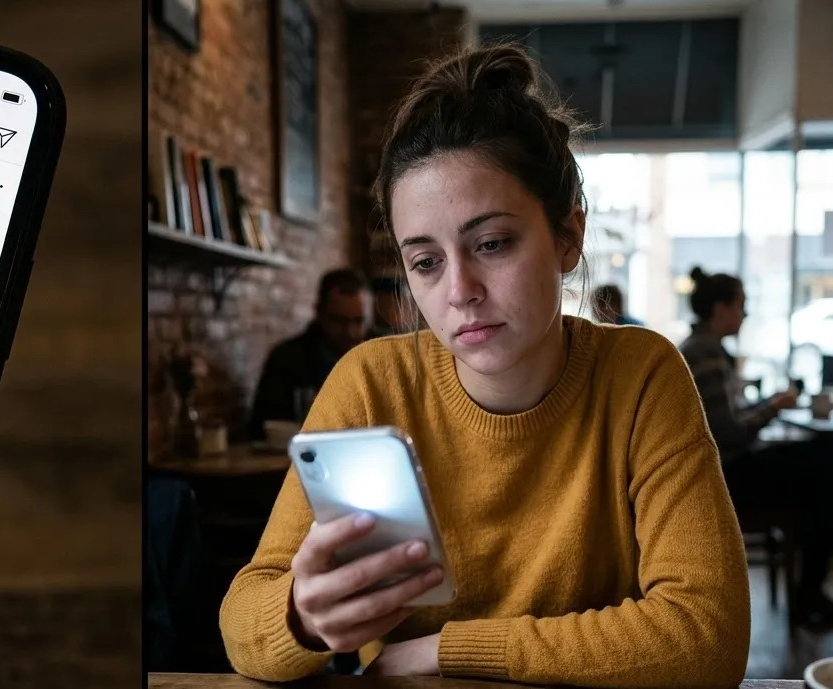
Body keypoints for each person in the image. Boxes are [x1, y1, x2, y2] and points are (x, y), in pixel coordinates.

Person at [219, 43, 748, 686]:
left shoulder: (640, 377)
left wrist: (444, 649)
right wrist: (301, 617)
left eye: (491, 243)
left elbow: (706, 636)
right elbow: (244, 625)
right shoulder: (371, 382)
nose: (459, 290)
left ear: (568, 237)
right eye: (425, 261)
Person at [678, 266, 833, 626]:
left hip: (726, 465)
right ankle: (809, 593)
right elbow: (729, 433)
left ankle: (809, 592)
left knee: (820, 473)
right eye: (741, 305)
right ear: (721, 309)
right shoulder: (705, 354)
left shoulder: (706, 349)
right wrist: (773, 407)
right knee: (824, 470)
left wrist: (766, 407)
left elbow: (727, 419)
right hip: (726, 473)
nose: (745, 314)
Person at [247, 269, 370, 440]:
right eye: (340, 322)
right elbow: (263, 427)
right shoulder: (287, 359)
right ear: (318, 312)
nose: (350, 332)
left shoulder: (382, 350)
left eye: (358, 321)